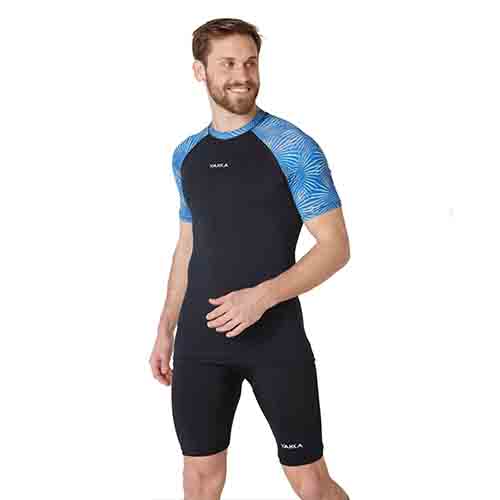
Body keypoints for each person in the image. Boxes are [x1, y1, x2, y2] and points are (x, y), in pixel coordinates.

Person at [150, 17, 351, 500]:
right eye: (228, 64)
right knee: (200, 480)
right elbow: (188, 246)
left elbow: (335, 247)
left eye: (250, 63)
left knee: (310, 482)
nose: (242, 75)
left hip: (275, 341)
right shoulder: (187, 155)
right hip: (200, 343)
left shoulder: (292, 147)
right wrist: (165, 327)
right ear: (200, 71)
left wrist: (261, 298)